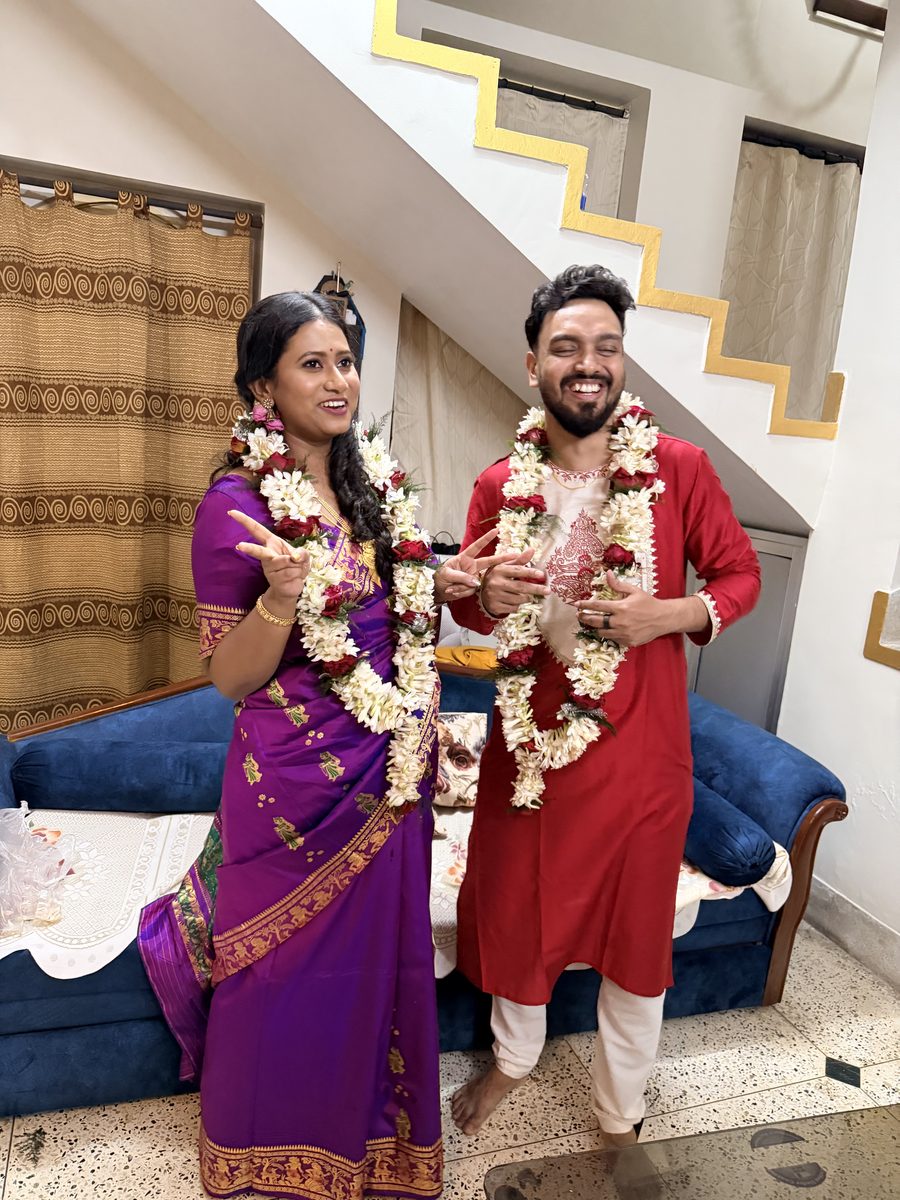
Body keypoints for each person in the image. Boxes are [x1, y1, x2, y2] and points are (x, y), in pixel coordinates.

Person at [138, 291, 508, 1200]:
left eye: (345, 361)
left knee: (376, 964)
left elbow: (385, 603)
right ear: (263, 386)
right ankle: (265, 1153)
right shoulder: (236, 506)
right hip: (294, 787)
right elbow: (231, 679)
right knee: (282, 972)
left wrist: (442, 578)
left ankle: (371, 1148)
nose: (339, 380)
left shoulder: (369, 486)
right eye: (313, 363)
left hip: (393, 776)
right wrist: (277, 597)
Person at [448, 265, 761, 1145]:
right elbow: (473, 604)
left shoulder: (679, 470)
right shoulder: (499, 483)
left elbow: (741, 575)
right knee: (517, 908)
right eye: (566, 347)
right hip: (529, 752)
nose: (588, 363)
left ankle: (620, 1113)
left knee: (635, 936)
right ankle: (513, 1060)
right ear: (533, 364)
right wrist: (485, 599)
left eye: (606, 347)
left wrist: (674, 614)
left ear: (622, 362)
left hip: (640, 758)